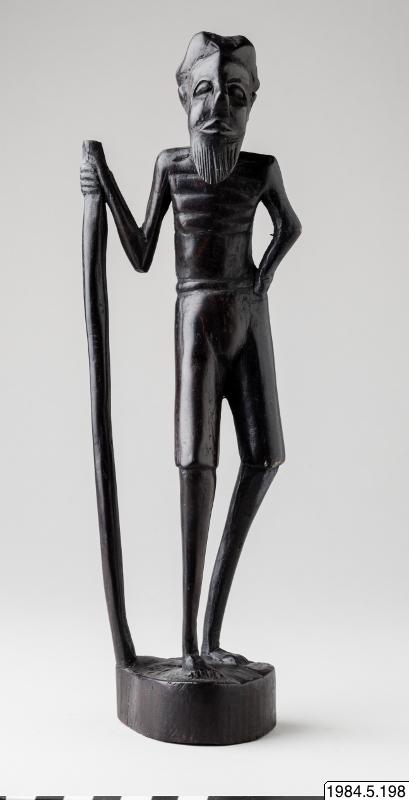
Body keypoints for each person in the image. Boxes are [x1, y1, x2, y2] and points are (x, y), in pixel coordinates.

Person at [80, 31, 301, 677]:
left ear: (252, 101)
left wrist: (261, 278)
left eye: (235, 94)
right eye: (204, 90)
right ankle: (188, 645)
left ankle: (209, 630)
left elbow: (289, 225)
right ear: (183, 98)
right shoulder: (172, 166)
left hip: (247, 316)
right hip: (197, 316)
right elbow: (141, 251)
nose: (218, 108)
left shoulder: (260, 169)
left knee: (265, 456)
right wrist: (104, 187)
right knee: (195, 467)